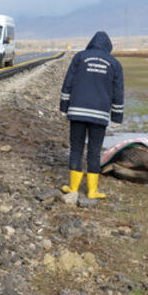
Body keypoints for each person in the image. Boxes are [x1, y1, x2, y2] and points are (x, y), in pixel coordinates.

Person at [59, 31, 124, 199]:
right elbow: (118, 92)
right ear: (108, 46)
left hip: (77, 113)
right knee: (94, 151)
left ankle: (73, 187)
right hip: (99, 115)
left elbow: (68, 83)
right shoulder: (114, 64)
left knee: (76, 148)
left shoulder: (80, 58)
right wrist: (117, 116)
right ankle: (92, 190)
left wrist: (64, 107)